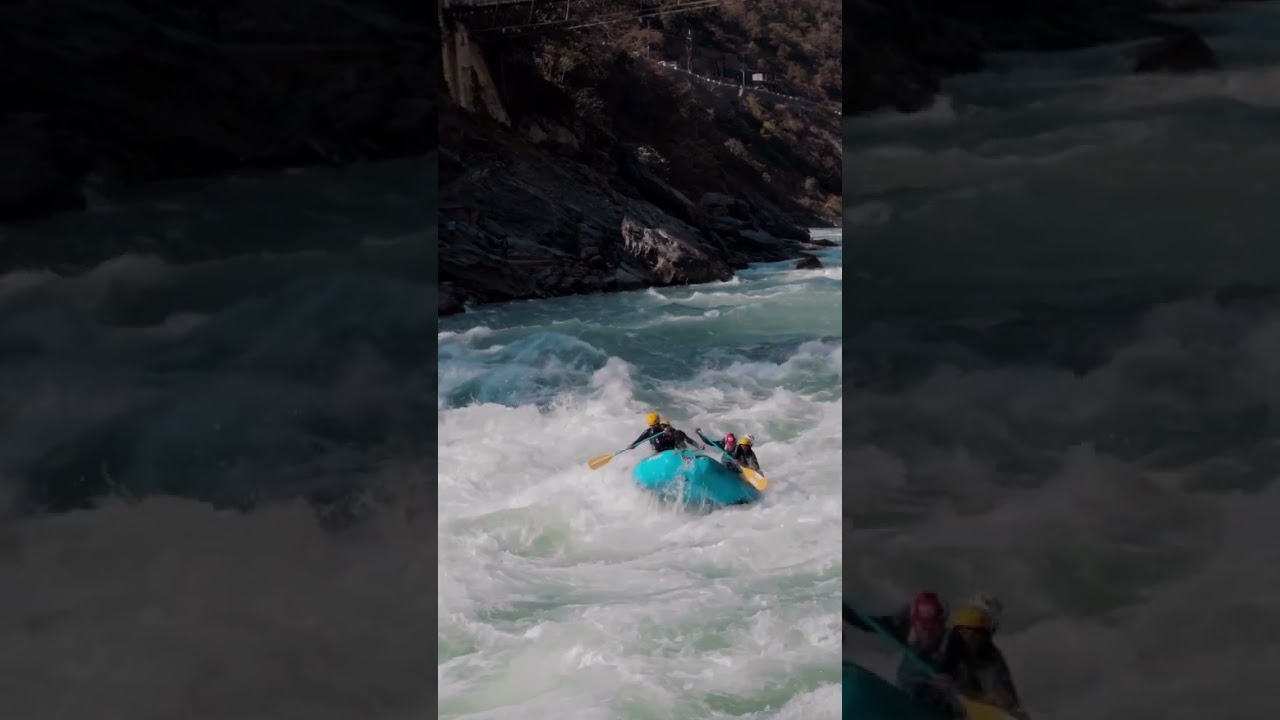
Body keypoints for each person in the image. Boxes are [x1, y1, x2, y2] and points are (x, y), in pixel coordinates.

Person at [844, 593, 962, 718]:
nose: (927, 634)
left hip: (939, 707)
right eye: (922, 627)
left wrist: (956, 683)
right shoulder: (903, 627)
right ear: (914, 622)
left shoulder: (955, 643)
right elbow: (863, 621)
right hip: (908, 697)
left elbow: (972, 684)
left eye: (933, 628)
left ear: (942, 624)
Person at [937, 605, 1025, 718]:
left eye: (979, 634)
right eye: (964, 633)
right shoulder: (949, 644)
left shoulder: (990, 657)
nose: (970, 638)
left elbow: (1005, 699)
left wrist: (993, 699)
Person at [630, 412, 699, 454]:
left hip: (672, 449)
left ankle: (687, 451)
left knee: (678, 433)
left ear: (658, 422)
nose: (652, 427)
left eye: (654, 425)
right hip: (659, 453)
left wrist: (669, 432)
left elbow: (679, 435)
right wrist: (633, 445)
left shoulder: (664, 427)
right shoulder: (648, 432)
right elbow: (639, 440)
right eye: (651, 426)